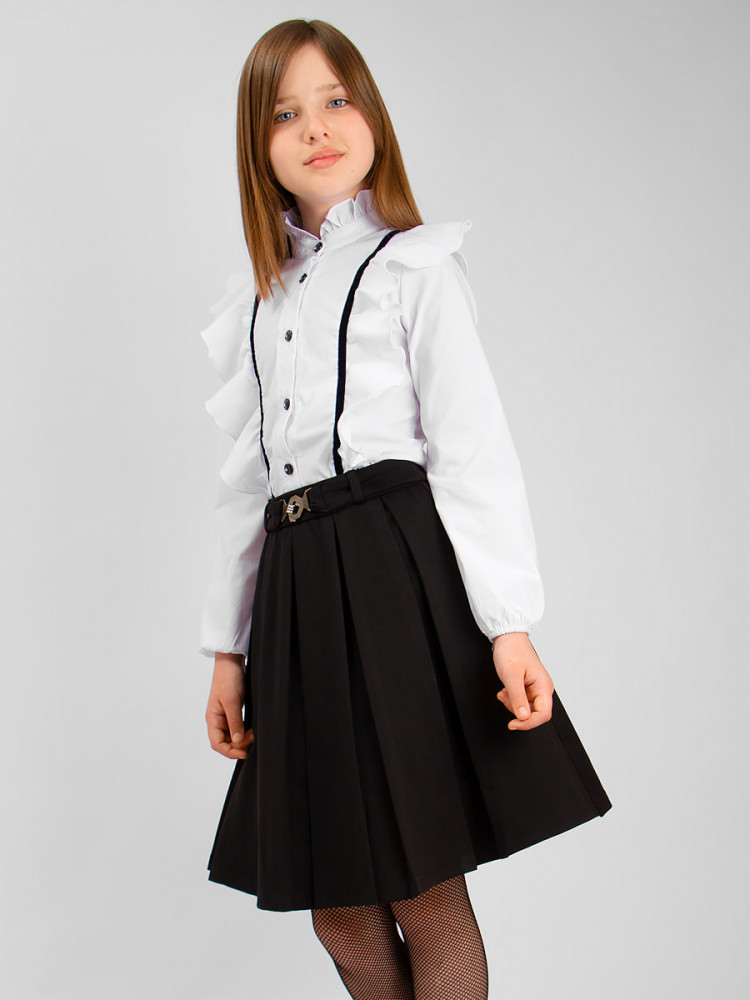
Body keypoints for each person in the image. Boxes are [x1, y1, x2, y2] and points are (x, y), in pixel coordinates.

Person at [198, 18, 612, 1000]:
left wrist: (508, 626)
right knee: (340, 908)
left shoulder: (413, 267)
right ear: (258, 144)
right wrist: (228, 648)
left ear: (373, 115)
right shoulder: (259, 301)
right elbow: (249, 486)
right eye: (286, 114)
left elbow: (472, 453)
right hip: (296, 600)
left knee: (422, 888)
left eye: (336, 100)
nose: (317, 127)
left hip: (392, 580)